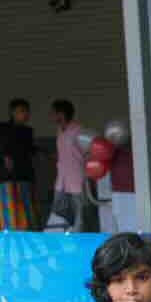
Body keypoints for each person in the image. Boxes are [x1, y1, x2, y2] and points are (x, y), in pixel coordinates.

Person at [45, 98, 96, 233]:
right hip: (61, 180)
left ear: (61, 114)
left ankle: (78, 238)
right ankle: (68, 233)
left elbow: (92, 150)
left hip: (77, 178)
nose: (50, 115)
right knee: (58, 208)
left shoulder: (79, 130)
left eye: (53, 112)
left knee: (79, 213)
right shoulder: (60, 131)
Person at [0, 98, 37, 230]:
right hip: (9, 176)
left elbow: (30, 150)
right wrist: (5, 157)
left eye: (26, 112)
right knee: (10, 210)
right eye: (21, 111)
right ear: (13, 112)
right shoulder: (3, 129)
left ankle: (28, 237)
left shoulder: (28, 131)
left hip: (25, 175)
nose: (25, 115)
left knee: (26, 209)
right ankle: (10, 237)